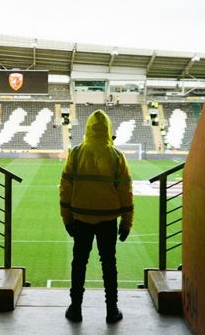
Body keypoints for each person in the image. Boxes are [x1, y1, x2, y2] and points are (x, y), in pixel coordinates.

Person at [59, 109, 134, 324]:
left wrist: (67, 218)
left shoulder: (76, 153)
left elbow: (65, 188)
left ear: (88, 129)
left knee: (79, 263)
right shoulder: (117, 156)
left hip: (80, 219)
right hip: (108, 221)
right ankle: (112, 310)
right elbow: (126, 192)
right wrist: (126, 223)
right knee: (109, 264)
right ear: (108, 130)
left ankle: (75, 308)